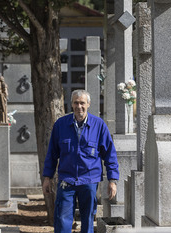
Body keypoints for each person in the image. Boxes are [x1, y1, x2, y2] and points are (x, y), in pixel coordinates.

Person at [42, 90, 119, 233]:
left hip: (89, 180)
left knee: (88, 220)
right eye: (76, 103)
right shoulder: (61, 125)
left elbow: (109, 154)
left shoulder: (99, 125)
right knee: (62, 220)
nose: (79, 107)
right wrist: (47, 177)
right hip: (67, 180)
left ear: (88, 104)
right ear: (71, 104)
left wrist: (113, 180)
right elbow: (52, 153)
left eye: (82, 103)